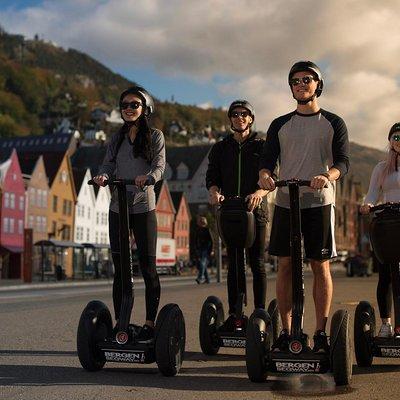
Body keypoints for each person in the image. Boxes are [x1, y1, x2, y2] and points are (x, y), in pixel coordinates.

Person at [258, 61, 350, 352]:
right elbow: (266, 163)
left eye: (307, 79)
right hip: (286, 201)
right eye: (295, 80)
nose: (301, 84)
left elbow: (343, 162)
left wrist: (327, 175)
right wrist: (265, 176)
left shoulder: (333, 122)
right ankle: (287, 333)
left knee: (319, 264)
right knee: (284, 264)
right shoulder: (279, 124)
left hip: (318, 202)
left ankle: (321, 334)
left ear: (317, 84)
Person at [93, 86, 165, 343]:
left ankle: (149, 324)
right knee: (121, 268)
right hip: (118, 206)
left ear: (145, 108)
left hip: (144, 206)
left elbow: (159, 164)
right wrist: (103, 175)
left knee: (147, 268)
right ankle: (120, 323)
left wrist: (150, 178)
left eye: (134, 105)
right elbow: (109, 164)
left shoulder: (155, 136)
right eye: (124, 105)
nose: (128, 109)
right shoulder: (117, 138)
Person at [206, 99, 269, 332]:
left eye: (244, 114)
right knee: (234, 264)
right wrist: (215, 193)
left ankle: (260, 313)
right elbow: (212, 178)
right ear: (231, 119)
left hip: (256, 212)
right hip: (231, 212)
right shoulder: (221, 148)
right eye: (235, 114)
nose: (239, 117)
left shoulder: (262, 146)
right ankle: (236, 315)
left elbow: (271, 178)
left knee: (257, 263)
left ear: (251, 118)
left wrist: (258, 193)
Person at [360, 122, 400, 338]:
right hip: (387, 223)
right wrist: (368, 205)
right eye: (396, 137)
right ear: (390, 141)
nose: (399, 141)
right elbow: (372, 193)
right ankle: (386, 324)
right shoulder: (381, 168)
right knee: (386, 275)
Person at [194, 215, 213, 284]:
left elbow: (211, 241)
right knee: (202, 264)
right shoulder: (198, 230)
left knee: (202, 263)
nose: (200, 223)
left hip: (206, 248)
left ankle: (200, 277)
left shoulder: (207, 230)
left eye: (201, 221)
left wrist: (211, 250)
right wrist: (196, 248)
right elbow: (195, 240)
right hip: (200, 249)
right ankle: (207, 279)